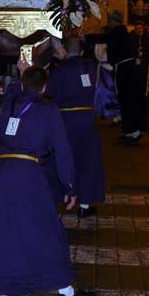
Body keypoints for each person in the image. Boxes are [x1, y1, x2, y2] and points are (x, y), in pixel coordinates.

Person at [0, 62, 97, 296]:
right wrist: (70, 185)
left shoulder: (10, 103)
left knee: (4, 233)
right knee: (48, 231)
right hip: (28, 175)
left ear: (23, 83)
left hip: (0, 175)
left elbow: (15, 91)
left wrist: (20, 71)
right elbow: (62, 148)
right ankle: (67, 293)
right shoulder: (47, 108)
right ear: (45, 87)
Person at [46, 36, 105, 218]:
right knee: (87, 161)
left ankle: (61, 196)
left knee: (63, 158)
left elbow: (49, 94)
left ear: (64, 50)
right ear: (81, 51)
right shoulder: (89, 67)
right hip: (86, 120)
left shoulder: (59, 70)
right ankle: (85, 205)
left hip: (64, 120)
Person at [119, 21, 149, 145]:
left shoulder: (144, 40)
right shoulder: (130, 42)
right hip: (130, 83)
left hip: (137, 82)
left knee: (135, 107)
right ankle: (129, 131)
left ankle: (135, 132)